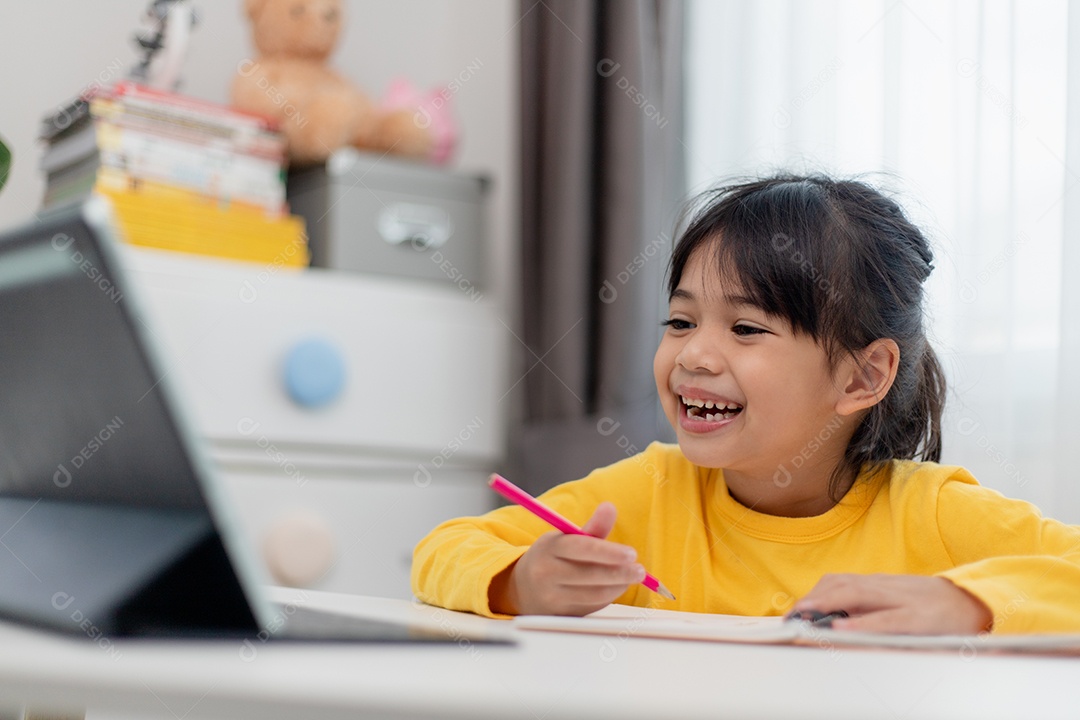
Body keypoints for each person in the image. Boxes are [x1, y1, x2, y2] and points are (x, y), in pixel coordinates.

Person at [411, 174, 1080, 634]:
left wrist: (963, 604)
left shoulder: (930, 513)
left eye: (746, 329)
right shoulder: (649, 491)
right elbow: (444, 548)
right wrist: (518, 584)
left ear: (862, 376)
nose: (695, 356)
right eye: (679, 322)